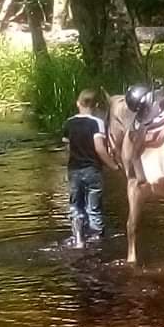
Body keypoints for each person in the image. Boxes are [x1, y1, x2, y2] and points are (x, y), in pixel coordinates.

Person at [63, 88, 118, 247]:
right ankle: (97, 241)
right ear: (96, 106)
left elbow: (67, 146)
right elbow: (99, 148)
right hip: (93, 170)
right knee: (94, 208)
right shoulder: (97, 123)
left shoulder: (69, 122)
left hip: (74, 170)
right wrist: (113, 166)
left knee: (75, 205)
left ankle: (78, 238)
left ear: (78, 103)